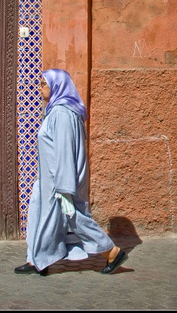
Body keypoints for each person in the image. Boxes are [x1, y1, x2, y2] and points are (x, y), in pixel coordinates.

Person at [14, 68, 128, 276]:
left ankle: (111, 252)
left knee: (73, 217)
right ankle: (36, 260)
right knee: (40, 214)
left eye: (43, 84)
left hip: (59, 181)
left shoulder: (62, 113)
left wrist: (64, 188)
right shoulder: (58, 110)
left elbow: (65, 151)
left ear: (56, 86)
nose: (40, 88)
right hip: (49, 180)